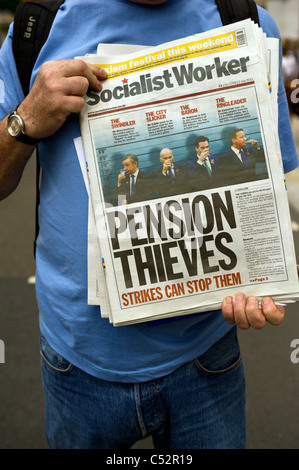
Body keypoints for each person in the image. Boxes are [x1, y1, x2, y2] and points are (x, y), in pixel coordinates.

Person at [0, 0, 297, 450]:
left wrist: (263, 281)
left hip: (205, 358)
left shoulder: (247, 23)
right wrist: (25, 120)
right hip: (77, 362)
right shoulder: (37, 25)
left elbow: (265, 191)